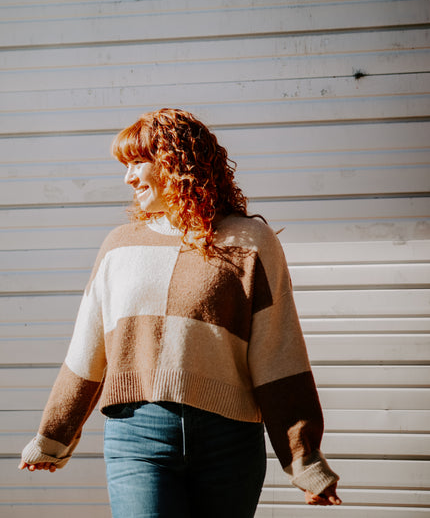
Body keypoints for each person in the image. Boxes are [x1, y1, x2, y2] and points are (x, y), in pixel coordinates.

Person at [20, 108, 341, 516]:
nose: (128, 177)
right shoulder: (119, 246)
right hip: (138, 436)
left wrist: (305, 460)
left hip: (230, 440)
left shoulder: (251, 241)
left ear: (176, 162)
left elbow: (279, 354)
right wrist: (53, 436)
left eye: (138, 162)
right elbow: (87, 348)